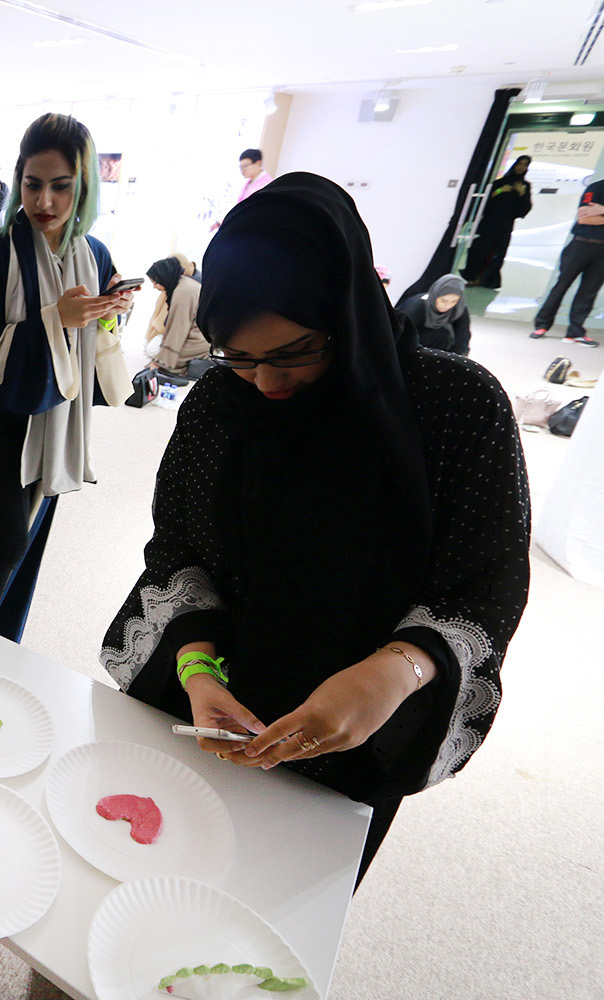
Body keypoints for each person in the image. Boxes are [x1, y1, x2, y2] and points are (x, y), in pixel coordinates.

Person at [98, 173, 530, 884]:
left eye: (294, 352)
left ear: (347, 311)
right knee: (135, 883)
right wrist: (197, 669)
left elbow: (484, 587)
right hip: (209, 714)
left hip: (358, 734)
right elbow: (176, 552)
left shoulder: (456, 408)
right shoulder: (215, 405)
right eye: (238, 354)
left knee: (266, 931)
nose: (265, 384)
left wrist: (394, 673)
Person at [0, 113, 134, 640]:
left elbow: (95, 352)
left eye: (61, 187)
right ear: (17, 179)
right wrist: (56, 321)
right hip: (2, 422)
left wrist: (111, 309)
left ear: (83, 187)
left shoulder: (93, 254)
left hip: (56, 420)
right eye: (32, 184)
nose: (44, 202)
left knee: (23, 543)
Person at [530, 174, 604, 348]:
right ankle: (542, 325)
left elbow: (595, 217)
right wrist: (598, 211)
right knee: (561, 285)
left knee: (589, 291)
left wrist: (602, 210)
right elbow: (585, 218)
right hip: (580, 245)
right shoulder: (596, 188)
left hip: (602, 252)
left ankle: (576, 332)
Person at [461, 156, 531, 289]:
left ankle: (486, 279)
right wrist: (499, 191)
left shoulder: (525, 186)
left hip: (505, 225)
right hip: (489, 222)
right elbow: (483, 203)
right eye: (519, 164)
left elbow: (524, 210)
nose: (521, 167)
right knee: (479, 249)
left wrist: (521, 194)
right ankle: (471, 277)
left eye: (525, 165)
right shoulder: (499, 183)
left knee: (498, 252)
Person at [145, 255, 210, 377]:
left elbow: (178, 330)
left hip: (197, 341)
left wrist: (159, 362)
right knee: (151, 348)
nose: (155, 287)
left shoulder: (183, 291)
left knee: (157, 360)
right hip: (199, 336)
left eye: (155, 282)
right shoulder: (182, 285)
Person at [396, 274, 470, 356]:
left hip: (440, 354)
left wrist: (459, 357)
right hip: (412, 350)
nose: (448, 305)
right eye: (444, 301)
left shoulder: (459, 309)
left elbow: (463, 336)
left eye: (454, 302)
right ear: (436, 295)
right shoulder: (416, 307)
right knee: (440, 333)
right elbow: (399, 334)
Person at [210, 149, 274, 230]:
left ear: (258, 163)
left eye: (246, 166)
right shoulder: (247, 184)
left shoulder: (267, 184)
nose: (243, 170)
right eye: (241, 167)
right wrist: (220, 221)